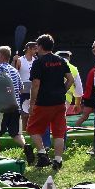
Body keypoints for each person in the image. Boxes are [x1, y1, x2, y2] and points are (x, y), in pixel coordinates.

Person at [26, 34, 74, 169]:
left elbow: (35, 85)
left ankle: (42, 154)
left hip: (43, 102)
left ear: (40, 46)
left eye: (37, 46)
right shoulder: (61, 60)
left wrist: (31, 103)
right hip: (59, 102)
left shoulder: (38, 62)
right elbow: (70, 79)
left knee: (32, 128)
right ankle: (58, 160)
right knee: (59, 132)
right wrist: (62, 91)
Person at [13, 42, 37, 129]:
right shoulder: (20, 60)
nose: (36, 51)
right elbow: (14, 73)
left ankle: (32, 131)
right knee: (24, 114)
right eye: (34, 49)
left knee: (34, 112)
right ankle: (24, 130)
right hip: (23, 89)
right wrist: (14, 61)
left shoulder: (36, 60)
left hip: (34, 88)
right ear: (28, 48)